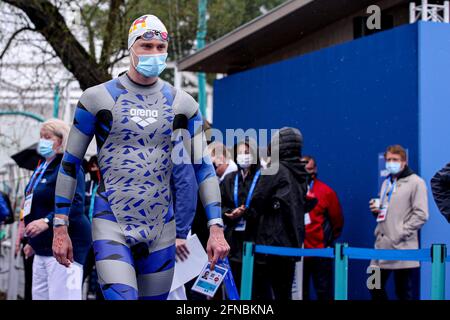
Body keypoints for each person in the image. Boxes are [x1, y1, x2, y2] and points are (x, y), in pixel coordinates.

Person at [52, 14, 229, 300]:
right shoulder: (97, 99)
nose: (155, 54)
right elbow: (70, 164)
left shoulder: (183, 103)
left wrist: (216, 228)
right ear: (131, 48)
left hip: (161, 225)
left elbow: (204, 169)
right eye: (146, 46)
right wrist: (60, 226)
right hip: (112, 220)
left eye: (161, 48)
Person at [23, 119, 91, 300]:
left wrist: (46, 221)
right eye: (41, 137)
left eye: (48, 137)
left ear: (61, 141)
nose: (42, 142)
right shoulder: (42, 168)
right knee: (40, 296)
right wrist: (32, 242)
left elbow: (76, 204)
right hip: (41, 247)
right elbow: (35, 205)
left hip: (67, 244)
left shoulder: (69, 166)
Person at [250, 127, 310, 300]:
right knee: (284, 294)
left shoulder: (274, 169)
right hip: (291, 243)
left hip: (269, 244)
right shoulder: (301, 172)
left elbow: (257, 200)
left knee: (261, 295)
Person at [368, 145, 428, 300]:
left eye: (395, 159)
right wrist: (377, 211)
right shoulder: (386, 183)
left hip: (402, 248)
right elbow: (389, 212)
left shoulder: (416, 182)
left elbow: (421, 214)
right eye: (388, 159)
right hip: (380, 248)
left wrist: (400, 232)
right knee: (373, 286)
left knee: (403, 292)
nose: (390, 163)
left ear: (404, 162)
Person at [300, 155, 344, 300]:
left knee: (324, 292)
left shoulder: (326, 191)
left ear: (315, 170)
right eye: (303, 168)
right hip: (297, 252)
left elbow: (337, 220)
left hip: (321, 252)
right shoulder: (291, 191)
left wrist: (327, 240)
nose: (307, 172)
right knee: (299, 293)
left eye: (310, 169)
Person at [220, 140, 260, 289]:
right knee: (234, 283)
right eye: (240, 153)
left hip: (255, 238)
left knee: (255, 286)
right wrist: (229, 213)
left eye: (247, 152)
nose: (244, 156)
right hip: (233, 238)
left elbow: (264, 206)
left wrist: (247, 212)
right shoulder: (229, 179)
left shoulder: (262, 177)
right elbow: (219, 204)